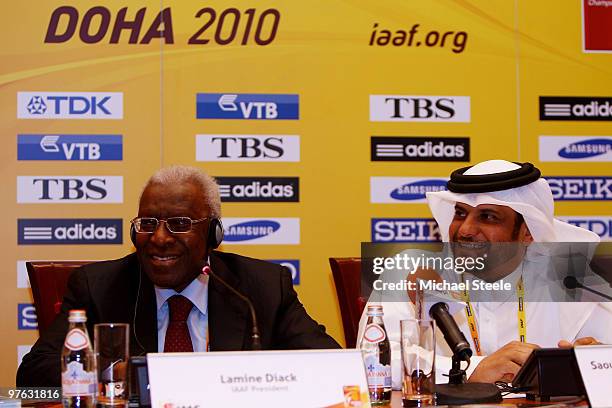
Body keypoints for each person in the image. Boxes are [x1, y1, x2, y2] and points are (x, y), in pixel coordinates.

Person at [18, 166, 340, 386]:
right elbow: (34, 373)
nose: (159, 238)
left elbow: (331, 366)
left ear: (213, 233)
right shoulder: (99, 286)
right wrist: (137, 373)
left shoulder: (262, 287)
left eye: (180, 224)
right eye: (147, 223)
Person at [359, 160, 612, 387]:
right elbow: (372, 360)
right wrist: (470, 371)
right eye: (460, 214)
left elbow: (603, 355)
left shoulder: (569, 279)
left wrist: (596, 363)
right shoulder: (413, 272)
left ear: (527, 233)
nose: (466, 230)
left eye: (488, 217)